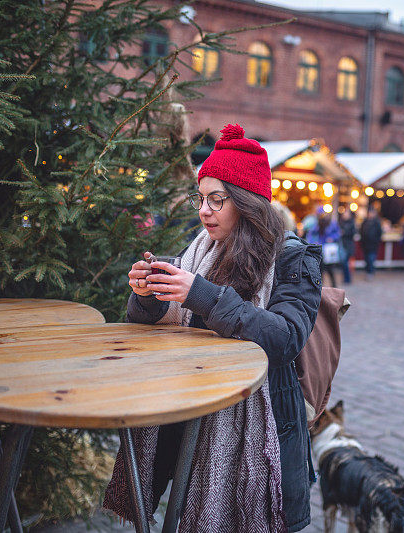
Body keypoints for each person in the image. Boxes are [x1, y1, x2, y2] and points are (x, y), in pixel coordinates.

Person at [104, 124, 320, 532]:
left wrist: (202, 295)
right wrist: (148, 294)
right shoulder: (198, 250)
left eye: (216, 200)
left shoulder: (294, 259)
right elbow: (151, 322)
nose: (204, 210)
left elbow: (286, 337)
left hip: (266, 420)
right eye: (201, 198)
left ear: (247, 202)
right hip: (194, 419)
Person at [307, 208, 340, 288]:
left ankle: (334, 287)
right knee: (320, 271)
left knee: (330, 271)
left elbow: (338, 234)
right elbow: (310, 235)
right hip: (321, 251)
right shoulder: (316, 224)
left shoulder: (332, 224)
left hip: (328, 251)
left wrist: (332, 238)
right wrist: (314, 243)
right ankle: (320, 287)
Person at [359, 207, 382, 280]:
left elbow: (379, 233)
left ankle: (370, 272)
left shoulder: (377, 223)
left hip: (373, 245)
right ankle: (368, 271)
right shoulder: (365, 222)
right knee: (367, 259)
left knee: (371, 259)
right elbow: (361, 231)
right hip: (365, 244)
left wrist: (376, 241)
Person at [338, 206, 357, 284]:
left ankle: (347, 278)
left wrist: (344, 232)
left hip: (348, 245)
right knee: (344, 262)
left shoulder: (351, 223)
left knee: (345, 262)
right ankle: (346, 278)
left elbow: (352, 233)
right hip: (343, 245)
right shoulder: (341, 222)